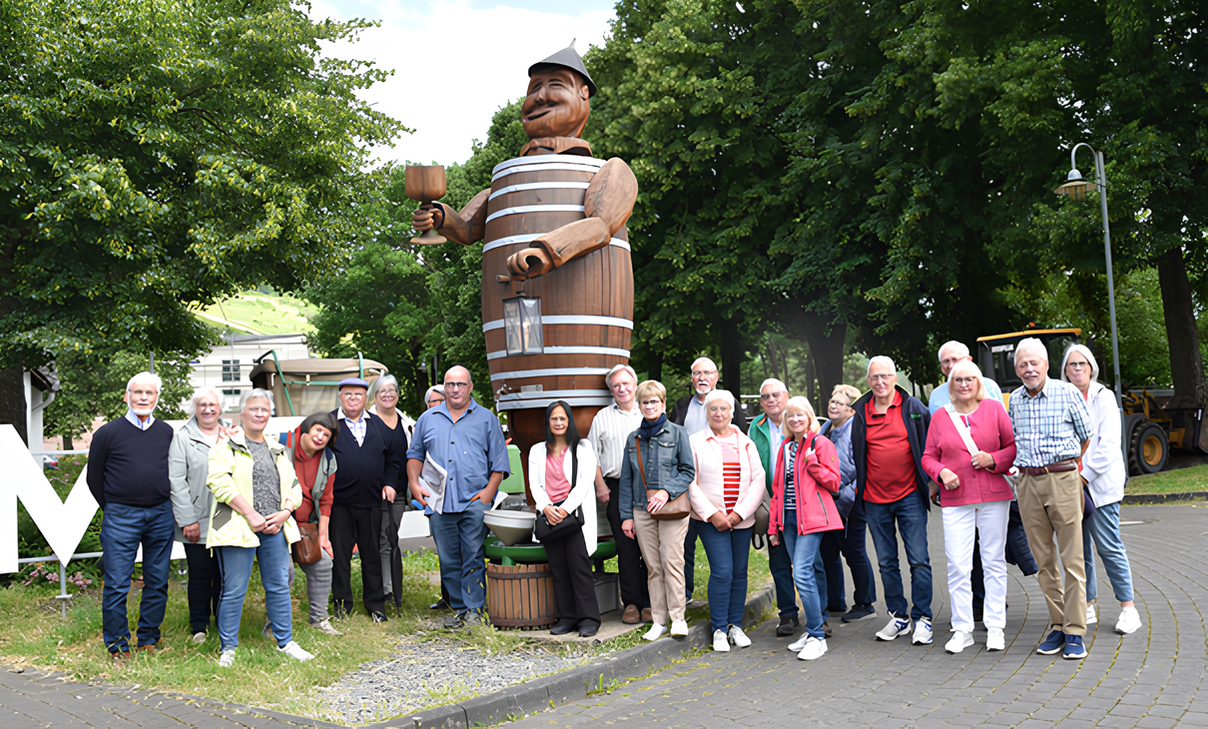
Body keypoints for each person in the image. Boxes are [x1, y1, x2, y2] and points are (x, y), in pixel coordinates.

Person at [207, 389, 314, 667]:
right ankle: (228, 647)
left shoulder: (277, 448)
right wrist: (251, 515)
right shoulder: (224, 446)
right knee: (234, 589)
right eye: (254, 409)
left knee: (279, 585)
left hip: (275, 526)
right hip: (237, 526)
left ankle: (285, 641)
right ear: (242, 413)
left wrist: (284, 513)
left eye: (265, 410)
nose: (259, 414)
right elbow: (219, 482)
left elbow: (293, 486)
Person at [921, 361, 1017, 654]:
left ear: (979, 383)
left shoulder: (995, 410)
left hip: (993, 497)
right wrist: (940, 473)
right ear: (951, 385)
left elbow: (1012, 447)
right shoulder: (940, 416)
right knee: (958, 565)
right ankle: (962, 628)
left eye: (969, 379)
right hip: (956, 500)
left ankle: (995, 626)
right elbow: (928, 456)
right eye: (958, 380)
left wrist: (994, 460)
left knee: (993, 562)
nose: (964, 384)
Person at [407, 366, 510, 629]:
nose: (455, 389)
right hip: (439, 502)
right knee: (448, 558)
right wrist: (414, 484)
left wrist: (488, 493)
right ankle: (460, 610)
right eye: (450, 384)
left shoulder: (487, 419)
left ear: (470, 387)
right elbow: (414, 455)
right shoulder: (427, 419)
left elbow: (499, 462)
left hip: (474, 501)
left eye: (461, 384)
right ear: (444, 387)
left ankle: (476, 611)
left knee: (473, 555)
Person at [1009, 337, 1093, 660]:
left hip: (1062, 478)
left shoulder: (1067, 392)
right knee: (1043, 561)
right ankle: (1058, 624)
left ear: (1046, 364)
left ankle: (1075, 631)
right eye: (1023, 364)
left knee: (1072, 558)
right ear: (1017, 368)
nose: (1029, 369)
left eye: (1034, 363)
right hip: (1028, 483)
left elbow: (1085, 437)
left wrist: (1065, 468)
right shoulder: (1015, 400)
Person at [87, 372, 177, 659]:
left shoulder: (166, 432)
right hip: (120, 515)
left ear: (157, 398)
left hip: (161, 514)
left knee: (158, 579)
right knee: (116, 582)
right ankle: (117, 645)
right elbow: (93, 478)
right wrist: (115, 507)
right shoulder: (107, 433)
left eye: (149, 393)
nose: (143, 398)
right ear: (127, 396)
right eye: (137, 392)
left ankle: (148, 638)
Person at [851, 356, 935, 645]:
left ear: (895, 378)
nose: (880, 382)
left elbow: (931, 444)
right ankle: (899, 616)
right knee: (886, 562)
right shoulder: (860, 412)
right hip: (874, 499)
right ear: (868, 380)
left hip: (910, 495)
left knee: (919, 560)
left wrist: (932, 482)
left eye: (885, 376)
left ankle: (922, 617)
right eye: (875, 377)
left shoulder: (913, 408)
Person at [1060, 344, 1141, 635]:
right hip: (1069, 483)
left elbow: (1107, 446)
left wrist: (1082, 477)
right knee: (1078, 551)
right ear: (1065, 370)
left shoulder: (1104, 398)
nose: (1077, 369)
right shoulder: (1062, 397)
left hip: (1098, 486)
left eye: (1082, 363)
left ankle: (1128, 608)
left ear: (1091, 367)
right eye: (1072, 365)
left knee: (1108, 545)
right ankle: (1088, 603)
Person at [688, 390, 766, 652]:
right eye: (713, 409)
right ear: (706, 412)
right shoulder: (695, 441)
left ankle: (735, 625)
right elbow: (691, 481)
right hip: (711, 521)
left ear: (732, 412)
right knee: (722, 572)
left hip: (741, 520)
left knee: (739, 573)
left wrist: (739, 513)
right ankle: (719, 629)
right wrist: (713, 514)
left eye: (724, 409)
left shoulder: (746, 443)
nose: (719, 414)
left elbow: (758, 480)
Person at [669, 357, 748, 609]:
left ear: (716, 376)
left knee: (725, 556)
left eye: (708, 373)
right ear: (692, 377)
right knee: (685, 541)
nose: (702, 377)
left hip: (720, 485)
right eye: (697, 373)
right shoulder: (682, 405)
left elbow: (743, 439)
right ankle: (686, 592)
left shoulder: (727, 402)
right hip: (686, 481)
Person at [619, 380, 695, 642]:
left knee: (672, 563)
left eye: (654, 401)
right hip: (641, 511)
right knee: (653, 568)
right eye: (645, 402)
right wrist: (626, 516)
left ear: (663, 404)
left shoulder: (677, 433)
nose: (650, 406)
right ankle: (659, 621)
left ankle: (678, 619)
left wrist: (666, 491)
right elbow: (627, 480)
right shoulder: (633, 439)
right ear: (639, 405)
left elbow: (688, 471)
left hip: (672, 509)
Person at [768, 396, 842, 661]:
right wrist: (774, 525)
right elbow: (778, 489)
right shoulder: (785, 447)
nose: (795, 419)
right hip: (787, 519)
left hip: (812, 519)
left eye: (800, 415)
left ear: (809, 417)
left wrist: (813, 464)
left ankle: (817, 635)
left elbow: (834, 482)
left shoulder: (821, 443)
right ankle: (811, 632)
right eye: (791, 416)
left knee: (802, 573)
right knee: (801, 572)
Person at [328, 377, 403, 622]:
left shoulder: (379, 425)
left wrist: (390, 483)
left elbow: (393, 459)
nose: (353, 399)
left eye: (358, 395)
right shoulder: (330, 423)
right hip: (339, 503)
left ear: (365, 398)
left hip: (372, 503)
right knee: (340, 556)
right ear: (340, 397)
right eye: (348, 394)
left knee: (371, 555)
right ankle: (341, 605)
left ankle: (376, 606)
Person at [530, 400, 602, 637]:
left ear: (568, 421)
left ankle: (589, 618)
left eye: (562, 418)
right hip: (550, 516)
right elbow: (535, 485)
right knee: (559, 569)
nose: (558, 423)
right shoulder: (537, 450)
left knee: (579, 567)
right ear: (548, 422)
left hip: (574, 517)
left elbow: (584, 482)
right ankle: (567, 617)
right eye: (554, 418)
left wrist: (565, 509)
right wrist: (547, 507)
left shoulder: (582, 448)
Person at [587, 364, 649, 624]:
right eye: (616, 385)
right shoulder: (602, 416)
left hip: (647, 488)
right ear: (611, 390)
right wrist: (600, 485)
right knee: (625, 547)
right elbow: (591, 455)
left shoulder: (648, 412)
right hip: (615, 485)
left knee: (649, 547)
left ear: (635, 385)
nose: (622, 389)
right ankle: (632, 603)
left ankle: (650, 602)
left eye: (626, 383)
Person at [169, 386, 226, 644]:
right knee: (201, 575)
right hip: (196, 519)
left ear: (220, 408)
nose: (208, 409)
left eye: (212, 404)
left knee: (226, 575)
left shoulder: (232, 434)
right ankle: (199, 627)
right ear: (195, 408)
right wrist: (187, 519)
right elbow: (176, 480)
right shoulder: (183, 437)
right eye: (202, 404)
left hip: (228, 518)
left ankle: (224, 622)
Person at [818, 384, 877, 624]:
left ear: (851, 411)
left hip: (852, 501)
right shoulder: (825, 428)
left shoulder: (857, 430)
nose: (833, 406)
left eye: (840, 403)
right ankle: (835, 601)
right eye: (832, 401)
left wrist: (842, 490)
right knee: (828, 551)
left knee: (854, 551)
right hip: (829, 501)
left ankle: (865, 603)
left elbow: (855, 467)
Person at [747, 378, 800, 636]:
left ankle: (819, 615)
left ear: (786, 396)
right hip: (773, 504)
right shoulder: (755, 428)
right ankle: (788, 615)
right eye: (766, 397)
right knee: (779, 562)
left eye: (775, 395)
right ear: (761, 402)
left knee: (809, 562)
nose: (771, 400)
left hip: (802, 504)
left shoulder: (800, 418)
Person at [282, 412, 341, 636]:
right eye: (318, 430)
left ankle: (319, 620)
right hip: (279, 523)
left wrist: (323, 537)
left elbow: (326, 499)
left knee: (323, 564)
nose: (321, 437)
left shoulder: (328, 459)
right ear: (307, 427)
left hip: (307, 527)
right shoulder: (282, 444)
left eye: (326, 434)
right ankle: (275, 624)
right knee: (283, 572)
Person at [369, 375, 410, 612]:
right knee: (378, 540)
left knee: (391, 539)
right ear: (375, 395)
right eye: (382, 390)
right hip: (374, 491)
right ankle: (383, 590)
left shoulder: (405, 421)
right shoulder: (368, 421)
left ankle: (392, 588)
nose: (387, 394)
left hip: (399, 491)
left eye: (392, 390)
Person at [928, 340, 1004, 413]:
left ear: (969, 360)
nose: (951, 366)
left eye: (955, 359)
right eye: (946, 361)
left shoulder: (990, 387)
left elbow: (1003, 421)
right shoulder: (936, 395)